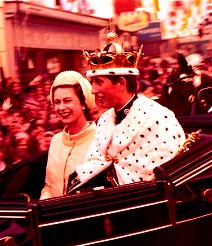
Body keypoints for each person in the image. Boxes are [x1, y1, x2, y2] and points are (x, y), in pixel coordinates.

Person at [69, 32, 186, 192]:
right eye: (92, 82)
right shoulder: (104, 120)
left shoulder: (159, 118)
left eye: (98, 82)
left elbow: (170, 175)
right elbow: (95, 163)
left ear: (121, 83)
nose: (93, 90)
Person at [40, 71, 96, 200]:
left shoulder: (99, 139)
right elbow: (49, 185)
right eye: (57, 102)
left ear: (83, 103)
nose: (61, 107)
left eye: (67, 101)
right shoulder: (56, 140)